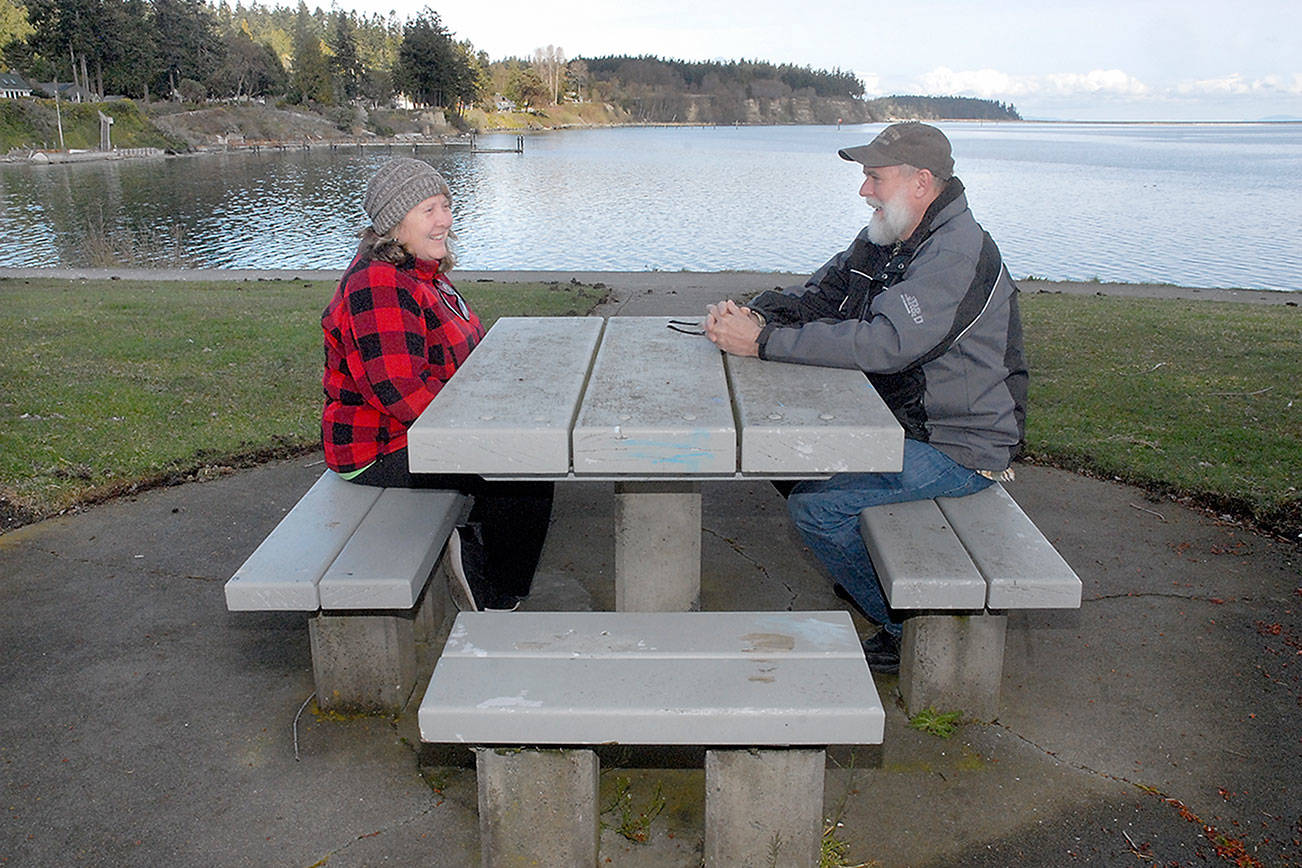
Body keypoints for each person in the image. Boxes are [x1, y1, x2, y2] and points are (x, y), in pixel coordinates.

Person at [705, 122, 1027, 672]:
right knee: (783, 454)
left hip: (958, 447)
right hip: (899, 423)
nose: (864, 190)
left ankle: (908, 627)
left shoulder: (955, 251)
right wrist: (757, 314)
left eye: (875, 178)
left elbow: (887, 344)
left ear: (921, 182)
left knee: (816, 508)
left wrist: (762, 343)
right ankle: (869, 565)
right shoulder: (893, 236)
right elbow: (823, 294)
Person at [321, 157, 553, 612]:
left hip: (420, 431)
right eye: (428, 210)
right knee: (524, 469)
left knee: (523, 454)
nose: (444, 220)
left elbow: (457, 354)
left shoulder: (422, 273)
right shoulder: (380, 284)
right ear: (394, 224)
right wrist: (483, 428)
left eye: (445, 206)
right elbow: (399, 391)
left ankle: (477, 545)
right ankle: (494, 595)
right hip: (379, 450)